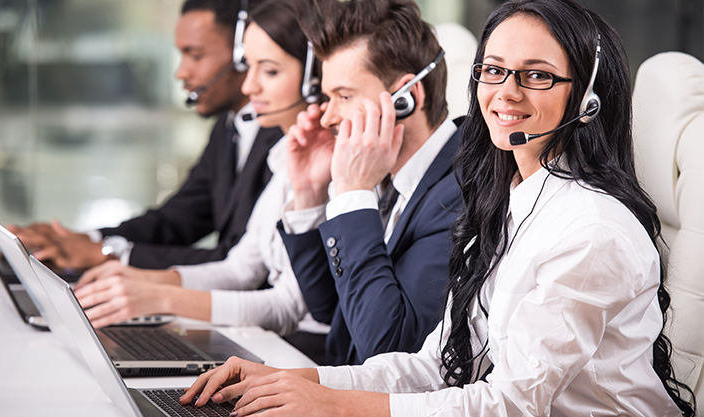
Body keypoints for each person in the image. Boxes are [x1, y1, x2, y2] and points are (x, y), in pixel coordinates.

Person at [178, 0, 698, 415]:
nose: (506, 92)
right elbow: (437, 365)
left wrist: (332, 405)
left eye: (536, 75)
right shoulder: (506, 203)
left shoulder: (591, 229)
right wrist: (297, 380)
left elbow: (513, 403)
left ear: (585, 98)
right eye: (493, 70)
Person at [71, 0, 322, 339]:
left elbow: (285, 304)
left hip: (306, 348)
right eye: (249, 66)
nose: (249, 87)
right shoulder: (279, 152)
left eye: (270, 70)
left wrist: (157, 293)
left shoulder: (310, 157)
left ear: (314, 77)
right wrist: (133, 277)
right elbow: (239, 266)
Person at [8, 0, 283, 271]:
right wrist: (87, 240)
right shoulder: (228, 126)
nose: (181, 72)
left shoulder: (286, 133)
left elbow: (242, 264)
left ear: (242, 54)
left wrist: (110, 254)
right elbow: (176, 220)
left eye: (196, 55)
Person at [276, 0, 463, 366]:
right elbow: (335, 313)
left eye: (344, 96)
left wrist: (352, 193)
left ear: (407, 97)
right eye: (327, 97)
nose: (327, 115)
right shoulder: (391, 176)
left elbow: (389, 350)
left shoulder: (458, 191)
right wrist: (310, 192)